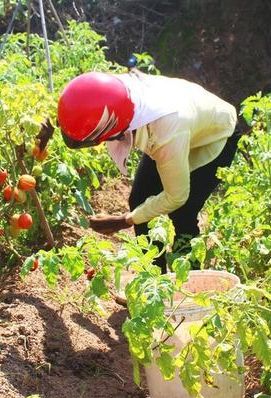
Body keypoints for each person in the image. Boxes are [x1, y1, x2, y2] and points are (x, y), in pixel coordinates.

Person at [45, 69, 242, 272]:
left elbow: (176, 197)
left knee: (183, 212)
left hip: (217, 136)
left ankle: (188, 285)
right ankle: (152, 278)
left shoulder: (164, 134)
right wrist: (49, 130)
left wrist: (125, 220)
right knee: (139, 199)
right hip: (183, 120)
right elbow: (78, 108)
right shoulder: (113, 93)